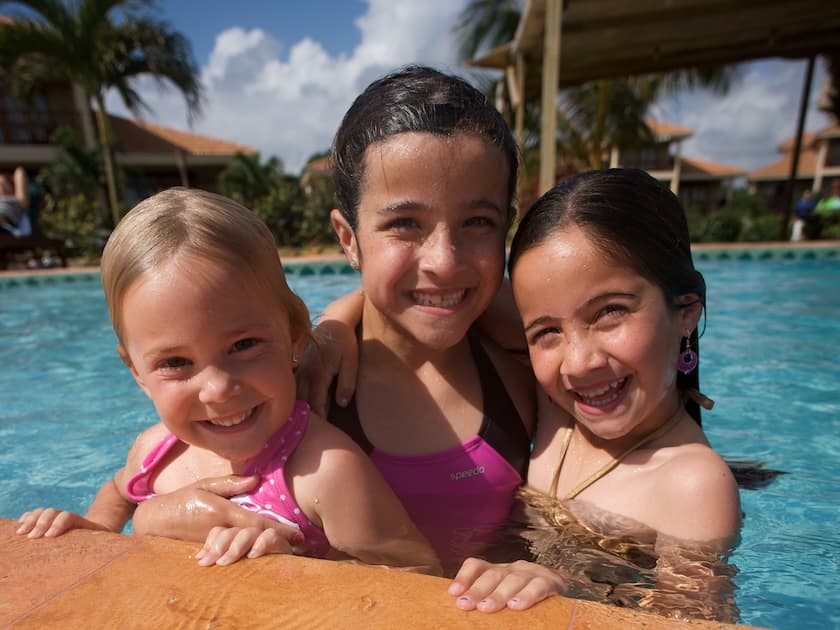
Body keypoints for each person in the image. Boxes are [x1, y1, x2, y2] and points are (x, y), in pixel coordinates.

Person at [16, 187, 439, 573]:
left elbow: (418, 571)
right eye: (176, 362)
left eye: (243, 345)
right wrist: (97, 528)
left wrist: (299, 564)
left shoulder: (325, 472)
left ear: (294, 337)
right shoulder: (154, 451)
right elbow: (120, 490)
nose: (217, 388)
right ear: (138, 376)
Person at [448, 169, 742, 620]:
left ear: (686, 311)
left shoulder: (693, 485)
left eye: (610, 312)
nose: (579, 362)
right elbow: (450, 303)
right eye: (547, 331)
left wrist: (573, 590)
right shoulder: (557, 409)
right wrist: (340, 324)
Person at [0, 166, 32, 236]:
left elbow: (20, 172)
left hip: (4, 224)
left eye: (3, 184)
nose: (1, 187)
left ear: (12, 187)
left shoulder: (17, 201)